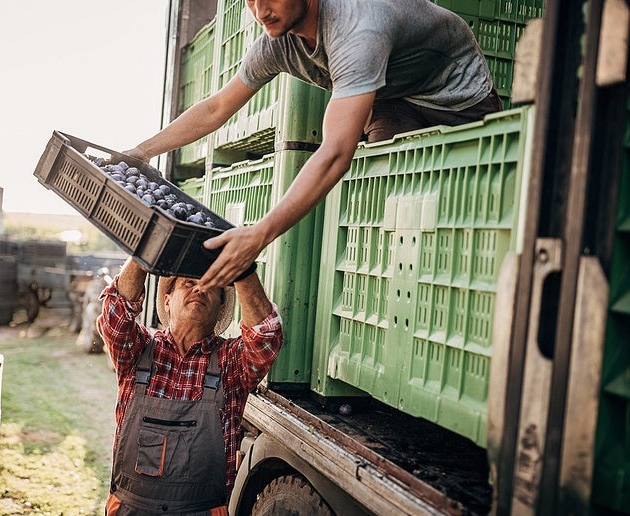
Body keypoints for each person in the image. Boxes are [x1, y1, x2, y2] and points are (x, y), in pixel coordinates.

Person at [123, 0, 503, 290]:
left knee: (459, 205)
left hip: (457, 99)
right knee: (393, 196)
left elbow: (337, 150)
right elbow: (215, 108)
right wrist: (141, 151)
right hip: (392, 95)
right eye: (249, 0)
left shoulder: (358, 27)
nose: (260, 10)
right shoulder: (277, 43)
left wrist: (261, 233)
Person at [96, 257, 283, 515]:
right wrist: (147, 252)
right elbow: (115, 314)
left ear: (219, 308)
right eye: (189, 283)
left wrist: (242, 266)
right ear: (167, 301)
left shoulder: (231, 363)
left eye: (210, 286)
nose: (200, 289)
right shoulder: (139, 351)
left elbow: (266, 336)